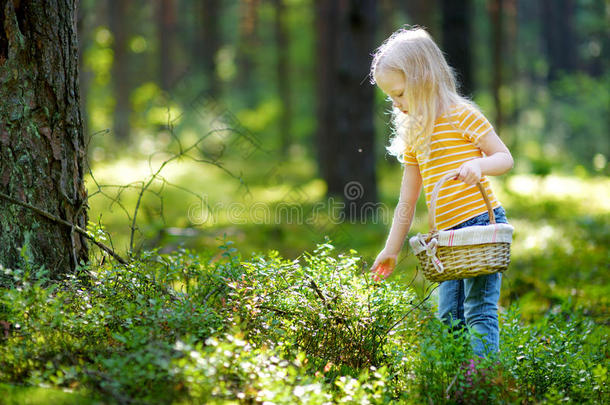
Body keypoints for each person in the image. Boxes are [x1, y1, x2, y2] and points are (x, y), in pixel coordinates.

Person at [367, 27, 514, 357]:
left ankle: (482, 381)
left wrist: (480, 167)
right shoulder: (414, 135)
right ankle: (456, 380)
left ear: (425, 78)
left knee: (478, 310)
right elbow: (407, 200)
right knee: (449, 315)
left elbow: (504, 157)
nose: (397, 103)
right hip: (445, 238)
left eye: (401, 93)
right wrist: (391, 249)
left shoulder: (462, 115)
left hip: (480, 226)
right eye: (391, 97)